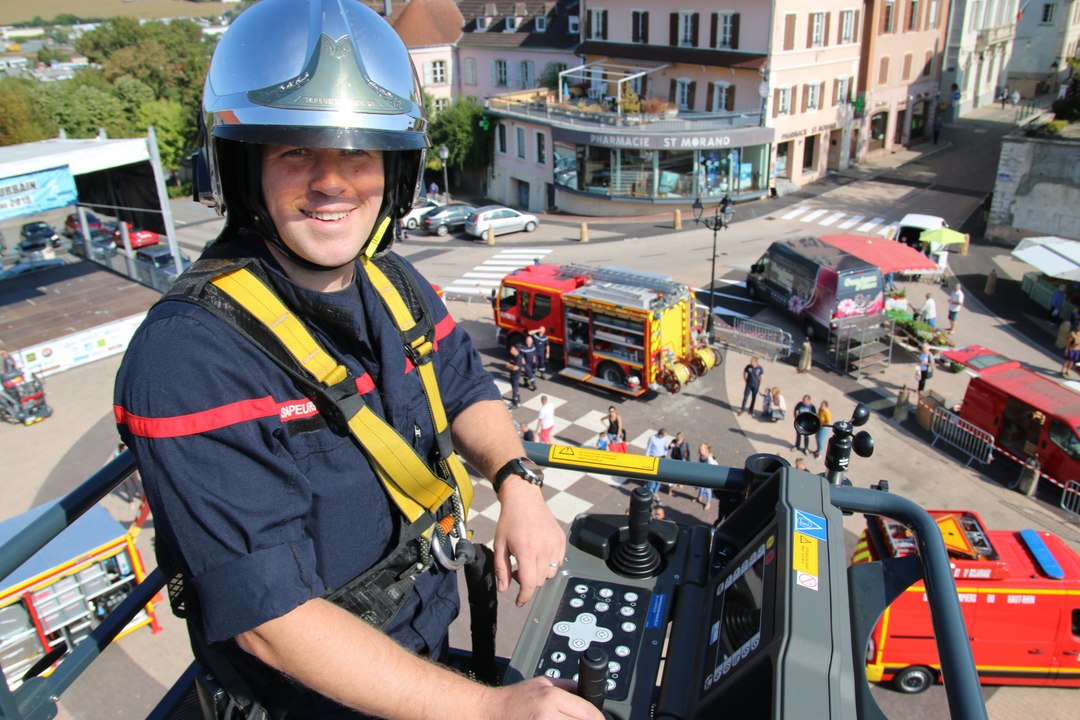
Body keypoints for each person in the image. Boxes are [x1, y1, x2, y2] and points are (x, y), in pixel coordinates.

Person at [112, 4, 587, 718]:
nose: (332, 183)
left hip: (416, 654)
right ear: (247, 170)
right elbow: (275, 624)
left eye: (359, 154)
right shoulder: (189, 358)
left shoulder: (395, 285)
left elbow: (464, 387)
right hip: (311, 702)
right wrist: (491, 711)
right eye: (297, 153)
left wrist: (517, 481)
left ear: (394, 171)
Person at [644, 429, 671, 496]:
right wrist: (646, 458)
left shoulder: (664, 438)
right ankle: (650, 489)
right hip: (653, 457)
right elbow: (649, 448)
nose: (665, 437)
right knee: (652, 474)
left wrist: (665, 453)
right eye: (664, 435)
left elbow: (665, 447)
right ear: (660, 434)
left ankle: (655, 491)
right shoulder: (652, 438)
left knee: (659, 475)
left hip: (661, 457)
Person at [697, 443, 718, 511]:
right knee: (700, 487)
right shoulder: (701, 455)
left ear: (706, 450)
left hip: (708, 477)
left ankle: (708, 503)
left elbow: (713, 469)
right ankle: (699, 497)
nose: (700, 450)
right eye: (700, 448)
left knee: (708, 490)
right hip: (702, 475)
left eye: (702, 449)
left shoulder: (710, 459)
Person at [506, 345, 524, 409]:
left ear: (516, 350)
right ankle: (517, 398)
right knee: (514, 387)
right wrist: (511, 366)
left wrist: (509, 366)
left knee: (515, 388)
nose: (510, 351)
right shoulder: (512, 356)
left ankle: (515, 402)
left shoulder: (518, 358)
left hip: (516, 375)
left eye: (512, 350)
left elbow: (515, 368)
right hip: (511, 374)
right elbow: (507, 364)